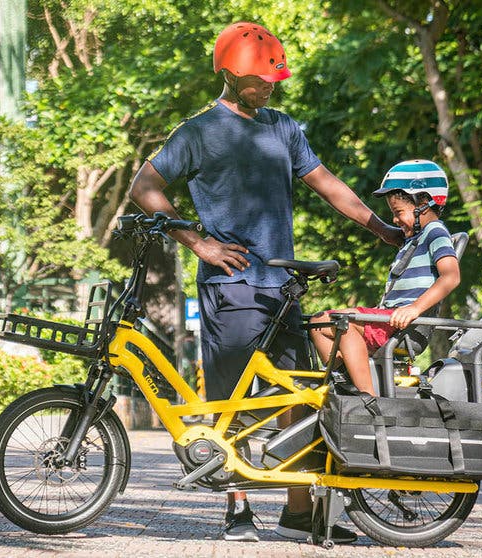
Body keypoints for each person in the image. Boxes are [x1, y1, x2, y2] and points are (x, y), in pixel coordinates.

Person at [127, 21, 402, 544]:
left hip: (281, 288)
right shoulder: (198, 131)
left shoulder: (283, 127)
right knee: (231, 400)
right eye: (260, 78)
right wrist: (198, 243)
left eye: (274, 77)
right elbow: (146, 186)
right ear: (229, 73)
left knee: (294, 397)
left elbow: (327, 184)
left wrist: (380, 227)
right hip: (230, 287)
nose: (270, 85)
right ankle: (237, 509)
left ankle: (299, 511)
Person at [309, 160, 460, 395]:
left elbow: (450, 276)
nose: (395, 220)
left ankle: (367, 397)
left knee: (340, 322)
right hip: (387, 320)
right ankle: (345, 381)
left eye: (398, 212)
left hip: (400, 323)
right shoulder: (412, 240)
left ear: (424, 203)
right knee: (319, 323)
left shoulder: (436, 232)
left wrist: (414, 309)